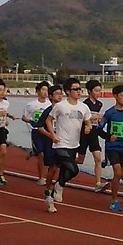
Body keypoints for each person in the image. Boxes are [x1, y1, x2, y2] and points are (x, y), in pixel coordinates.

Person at [44, 78, 94, 212]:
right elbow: (49, 120)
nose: (79, 91)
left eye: (80, 89)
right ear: (68, 91)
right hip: (60, 144)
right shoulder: (60, 106)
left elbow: (88, 122)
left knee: (65, 172)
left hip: (74, 145)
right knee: (74, 169)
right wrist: (53, 135)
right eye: (75, 89)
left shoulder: (84, 107)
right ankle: (59, 186)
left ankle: (51, 199)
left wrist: (88, 127)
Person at [97, 84, 123, 212]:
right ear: (115, 96)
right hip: (112, 147)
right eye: (122, 96)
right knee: (118, 173)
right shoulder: (110, 113)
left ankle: (113, 181)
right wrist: (109, 136)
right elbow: (99, 129)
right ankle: (114, 201)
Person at [76, 79, 107, 191]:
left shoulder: (100, 104)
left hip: (94, 133)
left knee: (98, 158)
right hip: (84, 133)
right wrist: (94, 117)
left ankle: (98, 183)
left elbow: (100, 120)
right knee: (80, 160)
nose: (99, 93)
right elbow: (81, 119)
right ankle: (65, 162)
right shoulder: (84, 105)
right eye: (96, 91)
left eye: (100, 91)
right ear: (90, 91)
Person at [22, 81, 52, 185]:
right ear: (38, 91)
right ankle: (41, 177)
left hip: (48, 132)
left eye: (47, 90)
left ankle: (33, 152)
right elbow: (24, 117)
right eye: (43, 90)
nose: (45, 92)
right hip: (36, 132)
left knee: (49, 155)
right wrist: (31, 121)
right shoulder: (31, 104)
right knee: (41, 155)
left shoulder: (50, 104)